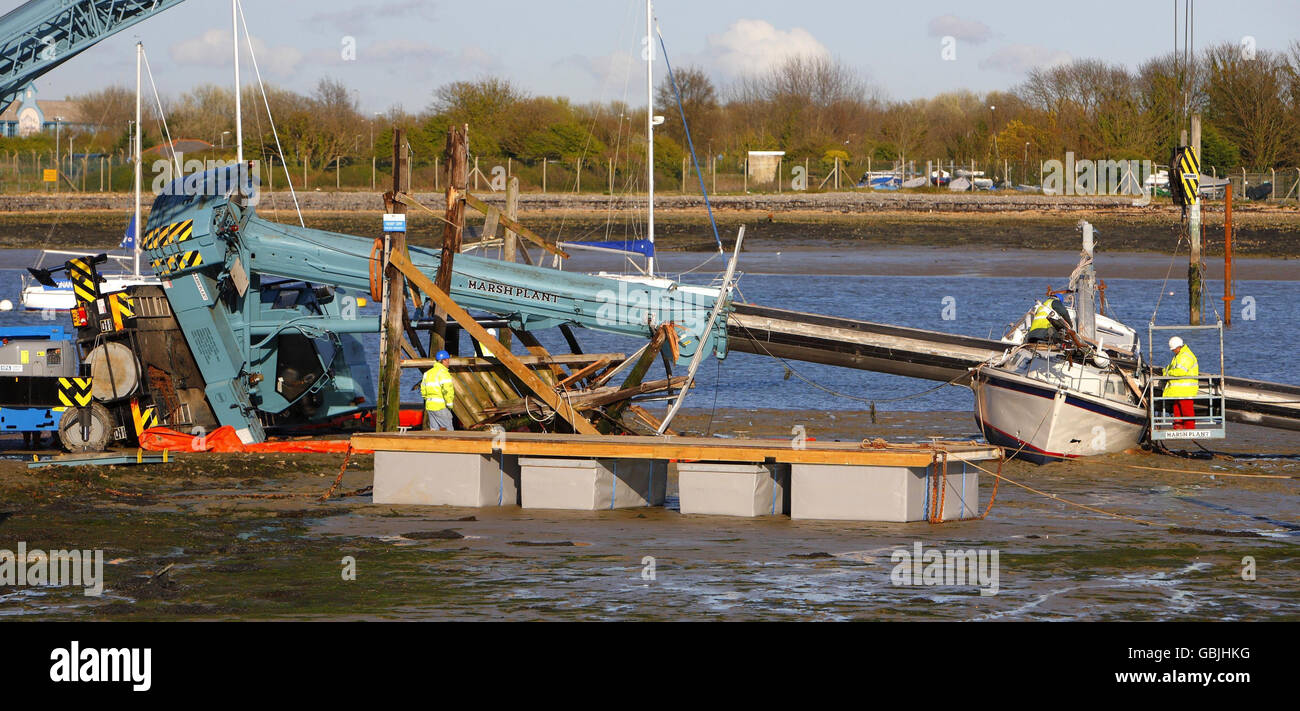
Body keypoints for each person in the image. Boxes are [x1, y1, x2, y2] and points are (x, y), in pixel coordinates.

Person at [1162, 336, 1199, 430]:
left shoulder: (1186, 356)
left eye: (1173, 349)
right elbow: (1171, 368)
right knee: (1177, 408)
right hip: (1179, 390)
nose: (1173, 351)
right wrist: (1166, 371)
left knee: (1186, 410)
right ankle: (1178, 426)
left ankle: (1190, 428)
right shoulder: (1179, 356)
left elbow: (1180, 372)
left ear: (1179, 347)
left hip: (1185, 390)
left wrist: (1168, 373)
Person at [420, 350, 456, 431]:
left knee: (434, 430)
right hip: (441, 406)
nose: (449, 362)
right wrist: (449, 404)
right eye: (448, 360)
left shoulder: (427, 373)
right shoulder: (443, 373)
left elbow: (423, 390)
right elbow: (447, 391)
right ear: (444, 360)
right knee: (449, 431)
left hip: (430, 406)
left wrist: (428, 399)